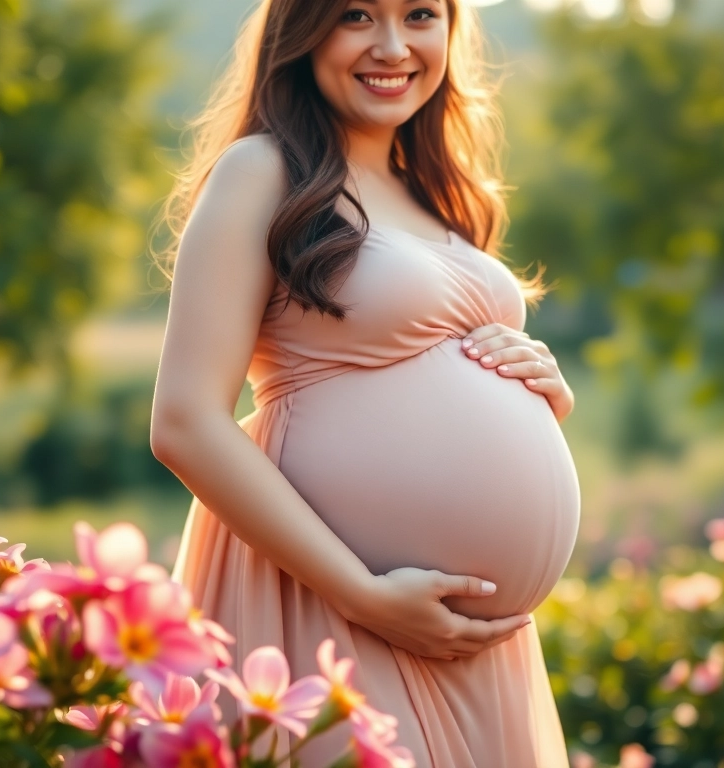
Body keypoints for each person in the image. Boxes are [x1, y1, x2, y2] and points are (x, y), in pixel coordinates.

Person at [149, 0, 581, 765]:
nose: (393, 46)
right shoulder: (262, 170)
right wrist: (361, 594)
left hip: (476, 644)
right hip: (330, 604)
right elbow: (185, 421)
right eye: (356, 15)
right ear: (303, 32)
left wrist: (538, 392)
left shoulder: (440, 195)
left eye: (419, 13)